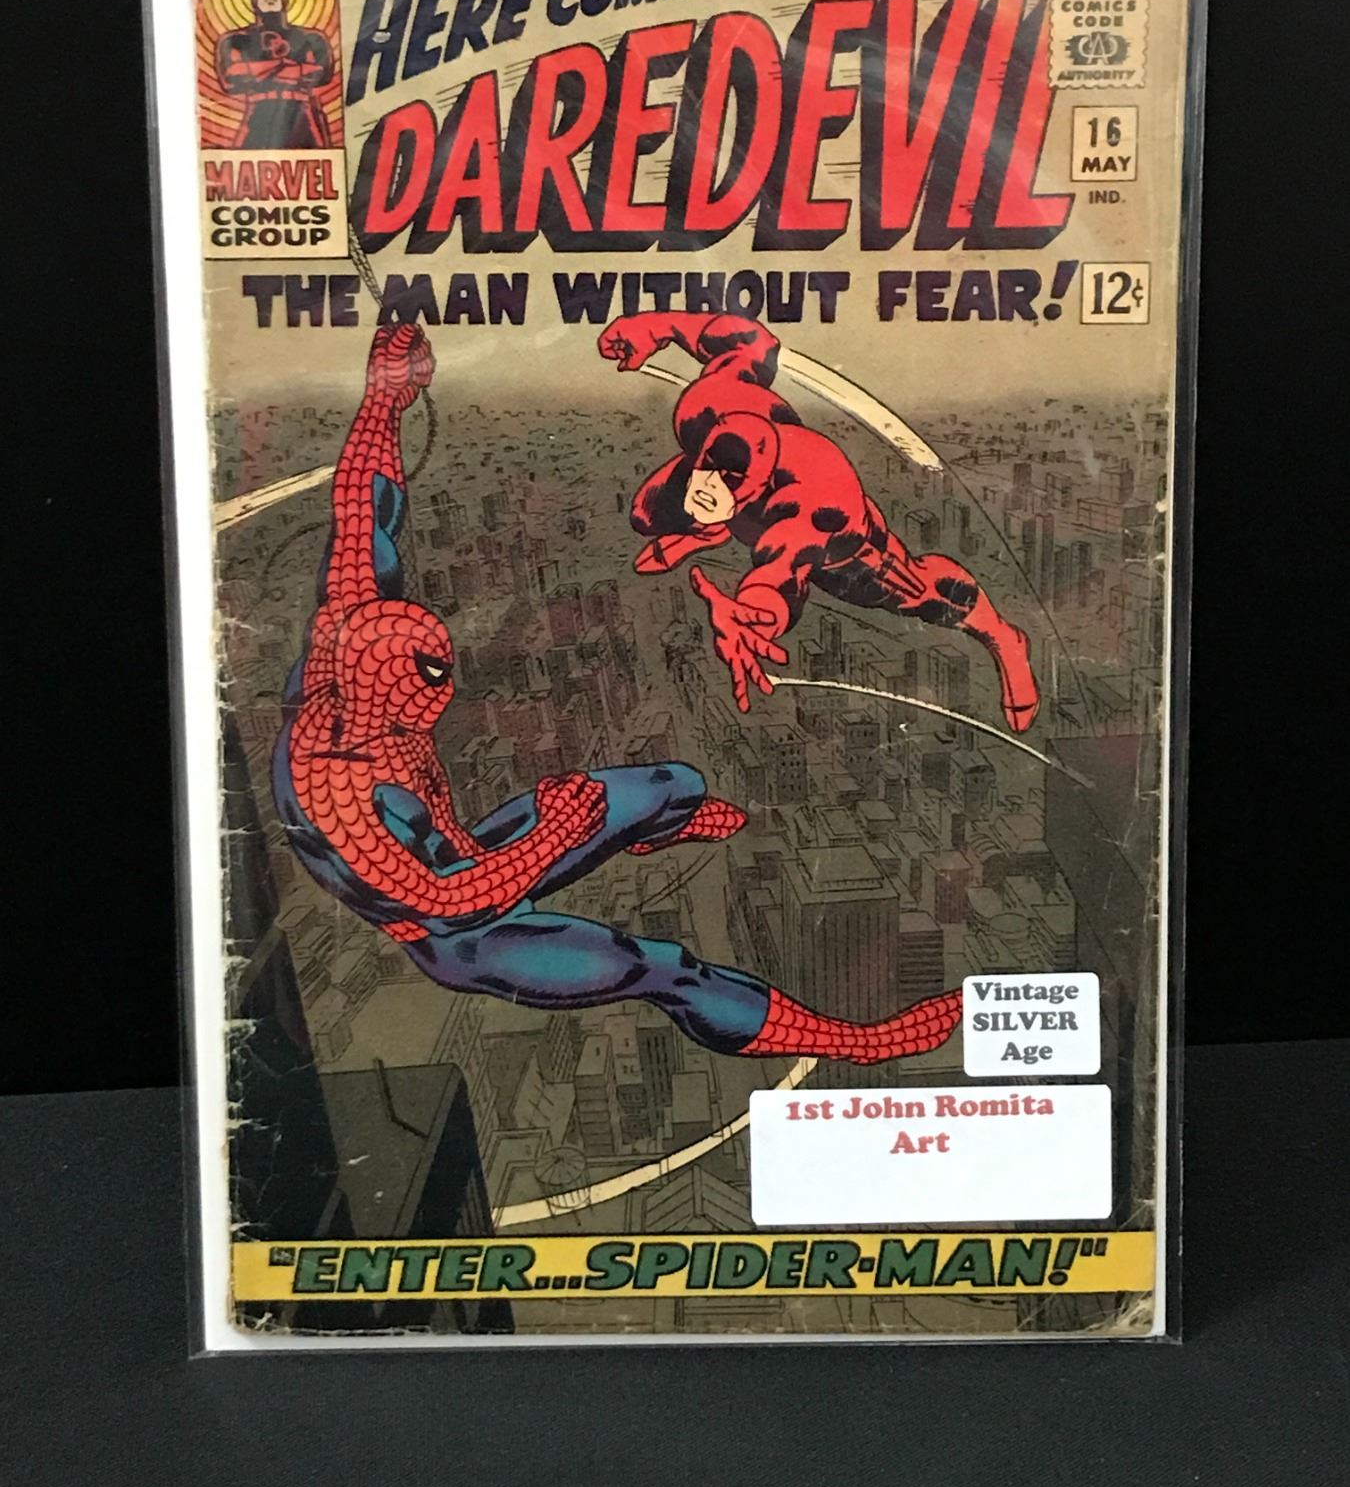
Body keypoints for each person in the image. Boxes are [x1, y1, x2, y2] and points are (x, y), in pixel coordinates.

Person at [272, 324, 962, 1065]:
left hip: (476, 853)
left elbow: (364, 506)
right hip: (458, 932)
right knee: (660, 967)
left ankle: (653, 828)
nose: (439, 702)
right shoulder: (339, 795)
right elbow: (444, 899)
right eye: (427, 686)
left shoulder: (346, 628)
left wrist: (385, 397)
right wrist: (554, 834)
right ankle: (855, 1043)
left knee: (675, 786)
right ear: (377, 689)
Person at [599, 311, 1039, 730]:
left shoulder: (821, 501)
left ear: (759, 482)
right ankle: (711, 530)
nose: (708, 486)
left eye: (729, 481)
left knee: (925, 594)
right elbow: (750, 340)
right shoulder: (709, 404)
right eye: (710, 468)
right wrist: (654, 327)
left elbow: (781, 572)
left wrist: (756, 615)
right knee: (645, 514)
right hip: (745, 507)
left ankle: (1005, 639)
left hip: (840, 552)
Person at [214, 0, 333, 149]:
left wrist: (258, 70)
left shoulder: (311, 38)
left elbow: (321, 73)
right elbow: (231, 79)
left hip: (302, 114)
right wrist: (284, 64)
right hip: (257, 115)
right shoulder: (236, 39)